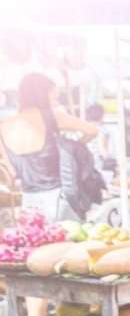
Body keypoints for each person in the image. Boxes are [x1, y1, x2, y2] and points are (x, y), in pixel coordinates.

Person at [0, 73, 98, 222]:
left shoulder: (4, 125)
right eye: (53, 96)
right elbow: (92, 130)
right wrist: (73, 148)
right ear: (42, 94)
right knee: (69, 243)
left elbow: (11, 172)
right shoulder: (52, 116)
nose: (55, 101)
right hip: (60, 199)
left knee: (38, 242)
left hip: (28, 203)